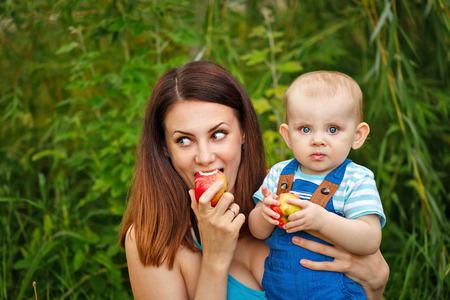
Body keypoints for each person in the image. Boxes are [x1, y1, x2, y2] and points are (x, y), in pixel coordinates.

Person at [118, 61, 389, 299]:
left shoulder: (284, 193)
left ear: (245, 133)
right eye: (184, 140)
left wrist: (375, 289)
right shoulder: (150, 239)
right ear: (165, 148)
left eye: (218, 134)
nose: (204, 157)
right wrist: (214, 258)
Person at [249, 70, 386, 299]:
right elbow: (256, 231)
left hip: (336, 293)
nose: (318, 140)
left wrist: (322, 221)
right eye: (305, 129)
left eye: (333, 129)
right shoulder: (278, 174)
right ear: (288, 136)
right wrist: (264, 214)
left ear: (357, 135)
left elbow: (370, 239)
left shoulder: (355, 179)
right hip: (280, 292)